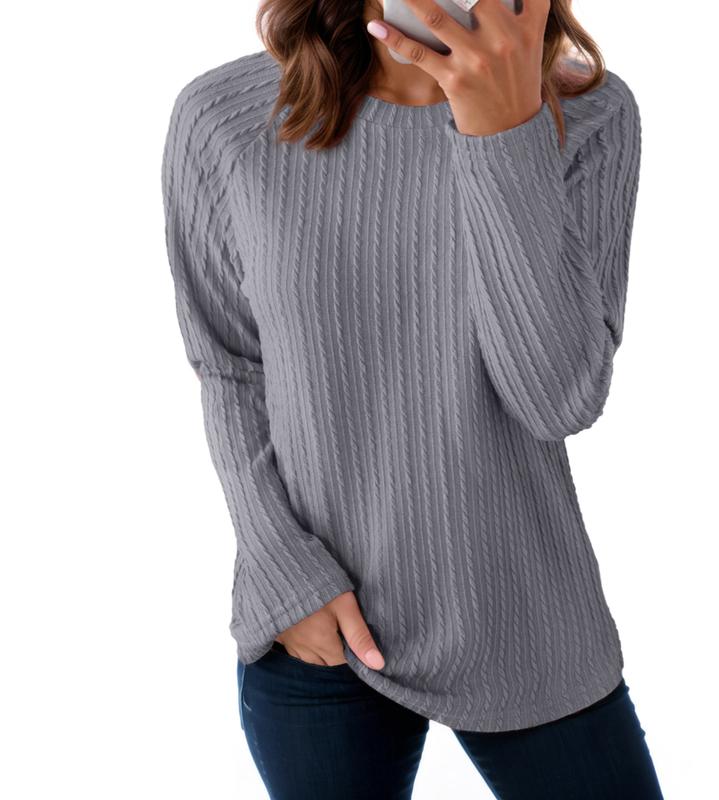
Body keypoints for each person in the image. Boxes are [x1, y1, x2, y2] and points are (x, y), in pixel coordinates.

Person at [161, 0, 663, 797]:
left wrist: (502, 132)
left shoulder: (592, 113)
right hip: (319, 623)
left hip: (523, 614)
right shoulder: (224, 117)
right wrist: (287, 573)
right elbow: (231, 366)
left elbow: (558, 397)